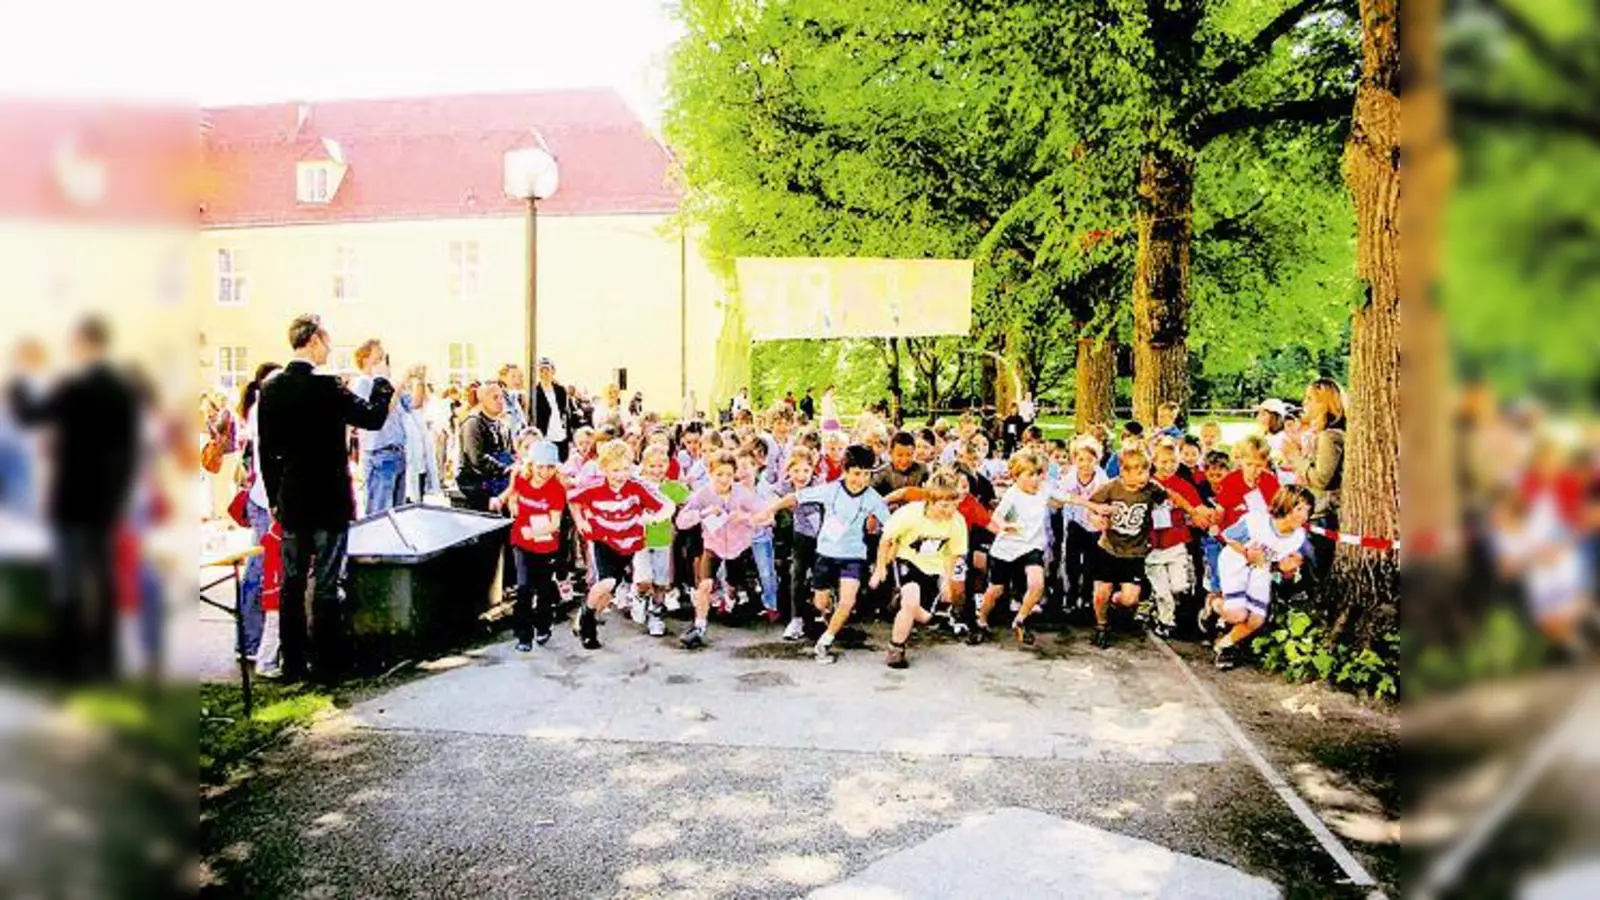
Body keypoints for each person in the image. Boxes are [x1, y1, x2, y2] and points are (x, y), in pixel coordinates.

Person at [258, 314, 394, 683]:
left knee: (292, 583)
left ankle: (293, 664)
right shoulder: (328, 388)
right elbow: (372, 418)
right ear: (314, 340)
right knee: (328, 585)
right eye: (327, 341)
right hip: (330, 498)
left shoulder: (270, 390)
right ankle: (327, 664)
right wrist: (381, 381)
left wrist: (274, 497)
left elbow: (266, 452)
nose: (330, 348)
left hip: (292, 498)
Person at [7, 317, 139, 681]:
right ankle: (106, 659)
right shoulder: (119, 390)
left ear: (83, 344)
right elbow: (129, 451)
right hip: (104, 503)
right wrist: (117, 497)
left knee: (67, 582)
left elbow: (31, 417)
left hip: (71, 500)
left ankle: (68, 663)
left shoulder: (72, 388)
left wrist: (19, 380)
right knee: (103, 579)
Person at [765, 445, 890, 664]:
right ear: (846, 470)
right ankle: (830, 614)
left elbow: (891, 529)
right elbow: (796, 497)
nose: (861, 479)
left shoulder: (873, 498)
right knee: (820, 604)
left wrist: (881, 565)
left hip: (853, 556)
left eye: (867, 474)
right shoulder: (831, 489)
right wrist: (769, 510)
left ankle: (825, 642)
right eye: (856, 473)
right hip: (825, 553)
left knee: (848, 600)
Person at [1085, 446, 1208, 649]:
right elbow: (1092, 505)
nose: (1144, 477)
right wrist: (1096, 518)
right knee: (1101, 592)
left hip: (1134, 552)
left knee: (1129, 599)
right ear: (1124, 472)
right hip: (1109, 548)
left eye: (1146, 471)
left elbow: (1173, 496)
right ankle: (1101, 625)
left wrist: (1192, 511)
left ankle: (1116, 604)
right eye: (1139, 473)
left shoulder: (1151, 488)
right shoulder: (1110, 488)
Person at [567, 440, 675, 649]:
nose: (620, 475)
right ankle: (588, 623)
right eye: (615, 470)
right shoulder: (594, 486)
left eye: (625, 469)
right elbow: (572, 498)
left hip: (629, 544)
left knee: (608, 592)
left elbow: (666, 505)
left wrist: (650, 519)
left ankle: (585, 613)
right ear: (604, 468)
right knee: (605, 582)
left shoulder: (636, 486)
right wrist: (580, 520)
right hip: (603, 540)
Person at [1204, 485, 1315, 670]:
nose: (1304, 516)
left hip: (1261, 570)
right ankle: (1214, 602)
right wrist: (1247, 552)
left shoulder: (1298, 537)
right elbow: (1228, 537)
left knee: (1256, 619)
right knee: (1237, 614)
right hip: (1236, 562)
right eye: (1299, 509)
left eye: (1308, 511)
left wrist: (1284, 568)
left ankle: (1224, 645)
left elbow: (1278, 565)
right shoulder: (1258, 521)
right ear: (1285, 505)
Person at [870, 471, 968, 668]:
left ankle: (899, 603)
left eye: (954, 504)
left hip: (934, 568)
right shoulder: (910, 514)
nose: (950, 510)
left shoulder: (957, 521)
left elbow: (952, 554)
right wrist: (880, 569)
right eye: (944, 505)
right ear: (931, 500)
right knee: (911, 600)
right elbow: (886, 540)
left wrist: (947, 582)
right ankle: (896, 648)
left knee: (924, 617)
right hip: (906, 560)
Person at [674, 451, 765, 648]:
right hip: (712, 546)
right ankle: (698, 626)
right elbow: (681, 521)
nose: (724, 480)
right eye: (719, 474)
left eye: (729, 475)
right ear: (710, 473)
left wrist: (746, 518)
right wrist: (703, 513)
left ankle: (734, 600)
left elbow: (767, 517)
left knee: (734, 584)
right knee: (704, 585)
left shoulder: (744, 494)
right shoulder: (703, 494)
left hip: (738, 548)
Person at [490, 437, 566, 650]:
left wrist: (533, 531)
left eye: (550, 467)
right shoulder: (521, 477)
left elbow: (555, 524)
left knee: (543, 589)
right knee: (524, 587)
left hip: (545, 544)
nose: (545, 472)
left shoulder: (556, 489)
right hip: (521, 542)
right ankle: (523, 635)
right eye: (540, 466)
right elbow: (513, 494)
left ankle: (543, 626)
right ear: (531, 464)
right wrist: (509, 504)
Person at [237, 361, 282, 672]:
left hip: (266, 498)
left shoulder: (265, 410)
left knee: (262, 569)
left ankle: (254, 640)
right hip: (264, 500)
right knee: (260, 570)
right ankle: (252, 641)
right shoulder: (262, 411)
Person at [1146, 439, 1209, 638]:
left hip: (1176, 541)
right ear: (1154, 461)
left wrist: (1207, 517)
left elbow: (1198, 509)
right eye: (1164, 462)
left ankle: (1161, 608)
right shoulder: (1146, 484)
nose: (1169, 466)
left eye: (1173, 461)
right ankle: (1165, 621)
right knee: (1163, 591)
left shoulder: (1183, 485)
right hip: (1153, 544)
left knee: (1179, 586)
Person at [1288, 378, 1347, 582]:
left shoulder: (1330, 437)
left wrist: (1295, 458)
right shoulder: (1321, 434)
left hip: (1323, 511)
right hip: (1317, 510)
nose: (1305, 403)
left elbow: (1321, 479)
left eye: (1311, 398)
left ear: (1325, 402)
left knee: (1318, 572)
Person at [634, 445, 690, 637]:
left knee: (660, 580)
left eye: (661, 465)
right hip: (640, 540)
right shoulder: (636, 486)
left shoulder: (671, 488)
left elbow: (691, 500)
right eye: (652, 466)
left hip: (663, 540)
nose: (657, 470)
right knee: (644, 579)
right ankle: (639, 597)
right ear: (644, 465)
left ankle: (656, 614)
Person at [350, 340, 407, 516]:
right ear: (366, 358)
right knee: (379, 514)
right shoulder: (363, 383)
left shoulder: (384, 383)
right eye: (378, 354)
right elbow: (377, 415)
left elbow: (413, 405)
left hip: (396, 451)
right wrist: (396, 389)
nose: (383, 358)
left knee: (397, 514)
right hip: (379, 454)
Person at [456, 381, 513, 512]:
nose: (500, 401)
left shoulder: (502, 425)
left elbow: (509, 452)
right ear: (482, 399)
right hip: (476, 483)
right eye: (495, 397)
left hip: (498, 480)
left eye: (501, 397)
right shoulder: (473, 423)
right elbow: (476, 459)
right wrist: (504, 469)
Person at [400, 375, 442, 504]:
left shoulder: (416, 415)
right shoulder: (404, 413)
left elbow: (418, 403)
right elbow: (416, 403)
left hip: (420, 462)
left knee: (418, 492)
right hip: (409, 463)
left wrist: (420, 381)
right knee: (410, 496)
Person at [533, 357, 576, 461]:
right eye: (541, 371)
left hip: (562, 437)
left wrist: (570, 438)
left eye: (547, 370)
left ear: (553, 371)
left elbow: (567, 413)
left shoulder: (560, 390)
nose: (545, 373)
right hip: (546, 438)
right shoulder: (535, 392)